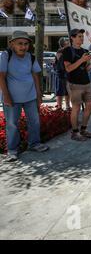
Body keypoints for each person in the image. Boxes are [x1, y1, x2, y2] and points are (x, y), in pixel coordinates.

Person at [0, 31, 49, 162]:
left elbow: (35, 75)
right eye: (20, 44)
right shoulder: (5, 55)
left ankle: (34, 144)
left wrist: (39, 95)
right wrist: (6, 96)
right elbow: (1, 76)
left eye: (26, 44)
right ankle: (12, 150)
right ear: (12, 44)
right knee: (12, 124)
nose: (23, 46)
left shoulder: (30, 57)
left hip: (30, 97)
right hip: (12, 98)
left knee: (34, 121)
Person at [63, 28, 91, 141]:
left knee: (90, 105)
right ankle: (75, 132)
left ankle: (83, 129)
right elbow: (68, 69)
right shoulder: (67, 51)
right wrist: (82, 60)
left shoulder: (84, 51)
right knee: (76, 108)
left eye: (82, 36)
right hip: (74, 84)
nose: (81, 38)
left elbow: (85, 69)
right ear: (72, 38)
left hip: (86, 83)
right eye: (79, 36)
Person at [54, 37, 71, 110]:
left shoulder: (69, 51)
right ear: (63, 43)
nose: (69, 42)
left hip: (67, 73)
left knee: (67, 91)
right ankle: (59, 106)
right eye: (67, 41)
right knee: (60, 90)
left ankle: (67, 106)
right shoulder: (60, 51)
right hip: (61, 73)